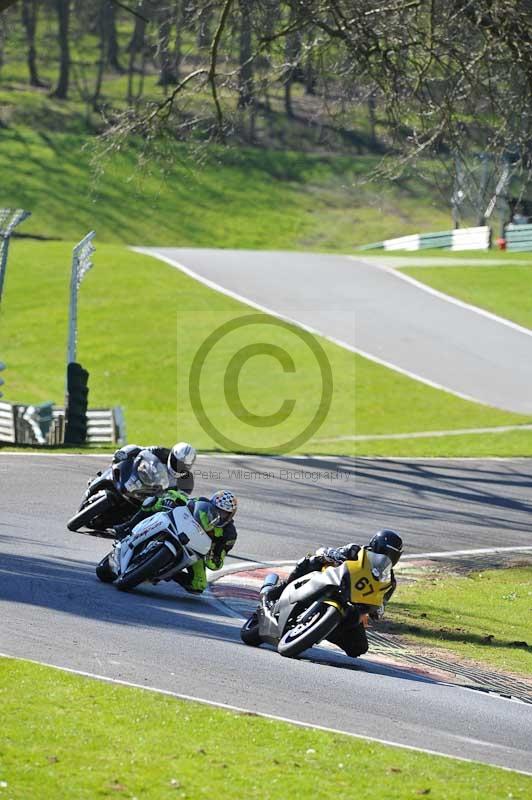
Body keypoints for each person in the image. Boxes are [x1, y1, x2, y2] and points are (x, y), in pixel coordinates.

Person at [264, 529, 403, 658]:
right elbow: (325, 551)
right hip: (329, 581)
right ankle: (278, 591)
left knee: (359, 648)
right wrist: (331, 555)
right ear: (374, 546)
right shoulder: (355, 551)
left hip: (351, 606)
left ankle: (323, 629)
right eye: (384, 551)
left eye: (392, 554)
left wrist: (377, 610)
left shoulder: (389, 582)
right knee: (310, 561)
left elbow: (381, 604)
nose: (387, 556)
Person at [114, 488, 239, 595]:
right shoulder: (201, 503)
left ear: (230, 516)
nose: (220, 515)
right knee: (153, 502)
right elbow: (184, 501)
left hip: (197, 549)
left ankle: (169, 573)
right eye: (218, 510)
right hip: (180, 528)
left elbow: (216, 563)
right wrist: (172, 500)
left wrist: (216, 552)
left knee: (199, 585)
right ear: (211, 505)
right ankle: (127, 527)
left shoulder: (229, 534)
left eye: (224, 513)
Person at [113, 441, 197, 494]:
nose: (179, 467)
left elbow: (182, 501)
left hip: (152, 500)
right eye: (177, 462)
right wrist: (124, 452)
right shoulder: (161, 452)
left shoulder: (187, 481)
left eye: (183, 466)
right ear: (172, 456)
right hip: (138, 479)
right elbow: (138, 449)